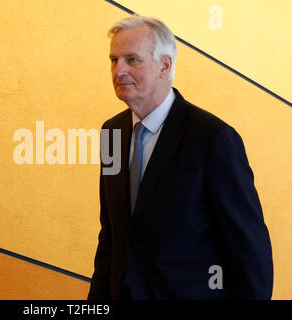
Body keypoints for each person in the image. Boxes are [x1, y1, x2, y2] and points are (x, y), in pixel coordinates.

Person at [88, 15, 273, 300]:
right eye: (114, 60)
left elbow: (250, 254)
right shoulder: (111, 133)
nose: (119, 70)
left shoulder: (213, 139)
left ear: (165, 65)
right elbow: (110, 239)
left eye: (132, 60)